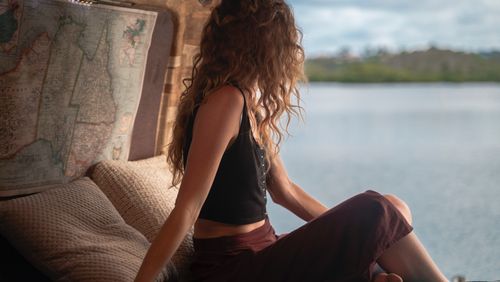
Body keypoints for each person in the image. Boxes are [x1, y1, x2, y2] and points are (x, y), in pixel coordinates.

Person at [135, 1, 449, 281]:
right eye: (284, 42)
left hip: (265, 250)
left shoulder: (249, 106)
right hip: (233, 267)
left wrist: (350, 233)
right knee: (379, 209)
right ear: (265, 45)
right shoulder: (225, 101)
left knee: (390, 223)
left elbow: (286, 192)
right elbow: (187, 208)